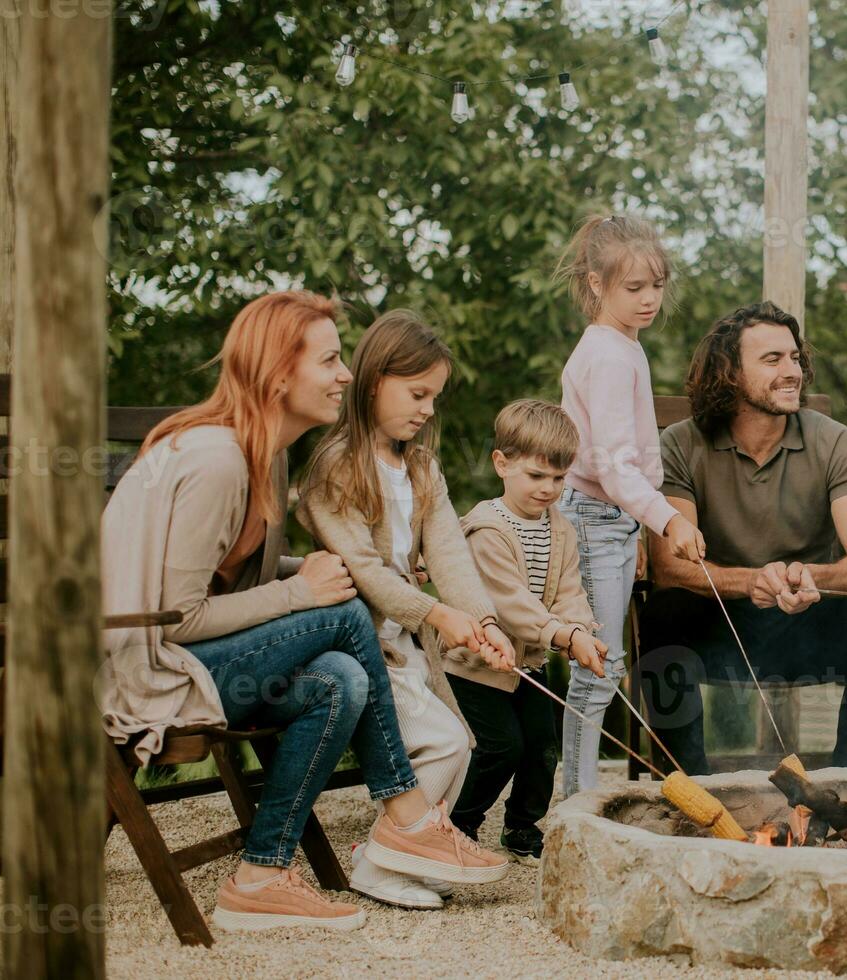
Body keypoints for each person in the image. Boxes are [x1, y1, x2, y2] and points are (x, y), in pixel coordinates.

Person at [102, 291, 509, 934]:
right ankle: (407, 817)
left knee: (340, 679)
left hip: (193, 660)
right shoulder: (215, 459)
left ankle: (260, 877)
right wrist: (302, 592)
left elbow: (235, 580)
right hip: (142, 668)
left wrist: (301, 575)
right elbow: (173, 618)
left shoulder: (265, 456)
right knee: (344, 616)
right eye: (330, 360)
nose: (344, 375)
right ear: (278, 372)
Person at [297, 309, 518, 910]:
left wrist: (485, 622)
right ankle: (378, 862)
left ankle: (391, 855)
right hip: (357, 646)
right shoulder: (334, 468)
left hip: (405, 643)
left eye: (433, 398)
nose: (426, 409)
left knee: (460, 743)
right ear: (374, 382)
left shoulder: (421, 468)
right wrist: (440, 617)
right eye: (416, 393)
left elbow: (449, 556)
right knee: (445, 742)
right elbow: (365, 572)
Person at [638, 301, 847, 775]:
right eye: (772, 360)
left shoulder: (834, 440)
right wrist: (750, 582)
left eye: (795, 358)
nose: (793, 371)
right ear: (729, 372)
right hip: (719, 619)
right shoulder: (680, 444)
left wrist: (810, 574)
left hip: (806, 616)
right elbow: (669, 566)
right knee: (663, 612)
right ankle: (689, 787)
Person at [554, 212, 705, 795]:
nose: (650, 300)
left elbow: (628, 464)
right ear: (596, 284)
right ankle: (578, 801)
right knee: (597, 667)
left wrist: (637, 532)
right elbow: (614, 466)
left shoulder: (623, 346)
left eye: (657, 286)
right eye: (634, 288)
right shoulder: (610, 356)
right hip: (592, 520)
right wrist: (667, 520)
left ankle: (580, 795)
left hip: (612, 522)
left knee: (603, 663)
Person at [448, 399, 606, 865]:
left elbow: (569, 593)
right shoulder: (487, 530)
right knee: (501, 746)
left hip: (529, 664)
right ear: (502, 463)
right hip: (477, 664)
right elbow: (510, 606)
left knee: (542, 745)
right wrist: (563, 636)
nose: (548, 489)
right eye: (536, 476)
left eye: (558, 479)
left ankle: (521, 826)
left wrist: (579, 629)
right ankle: (458, 824)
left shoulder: (562, 529)